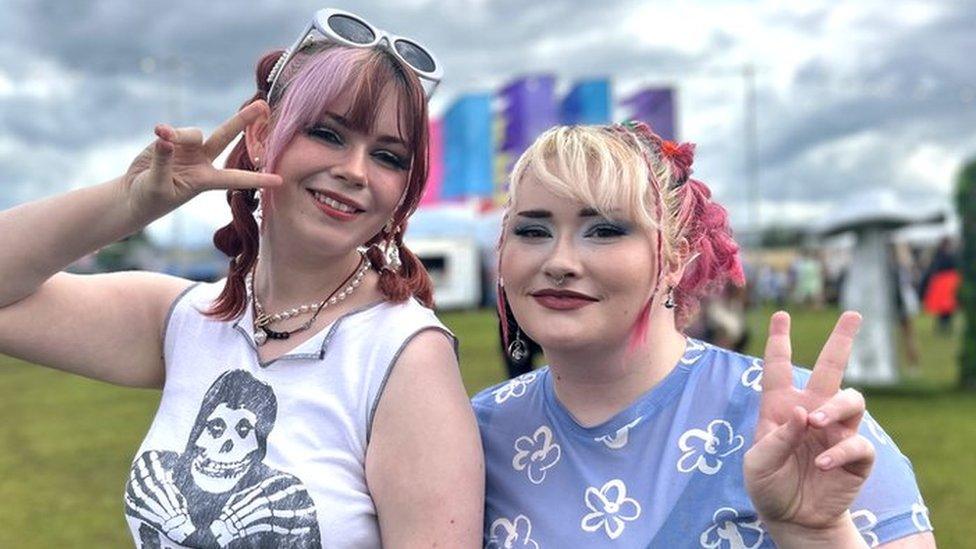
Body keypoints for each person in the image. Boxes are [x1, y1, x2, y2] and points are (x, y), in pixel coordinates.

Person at [0, 8, 482, 548]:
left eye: (388, 156)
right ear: (260, 136)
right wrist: (132, 203)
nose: (355, 170)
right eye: (328, 133)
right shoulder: (187, 320)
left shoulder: (404, 355)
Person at [475, 123, 935, 547]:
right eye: (533, 230)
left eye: (604, 230)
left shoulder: (806, 427)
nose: (559, 262)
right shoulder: (477, 434)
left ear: (676, 259)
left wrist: (818, 534)